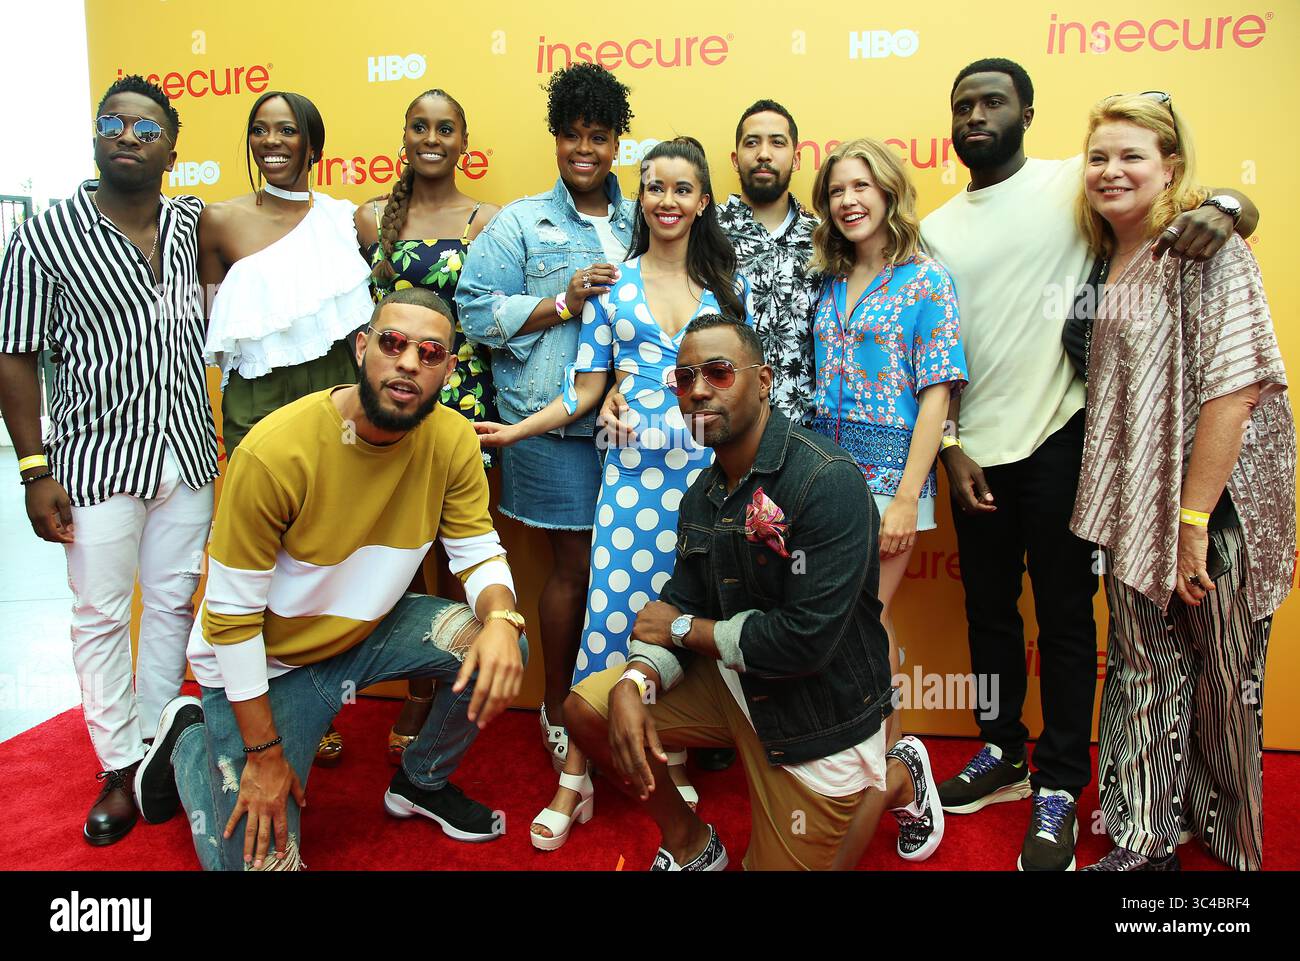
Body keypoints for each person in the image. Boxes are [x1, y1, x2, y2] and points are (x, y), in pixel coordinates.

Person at [921, 57, 1260, 871]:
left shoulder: (1076, 181)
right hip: (975, 454)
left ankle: (1063, 781)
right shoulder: (933, 226)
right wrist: (953, 445)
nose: (976, 114)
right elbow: (935, 347)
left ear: (1027, 112)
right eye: (963, 103)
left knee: (1069, 621)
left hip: (1066, 439)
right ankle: (1002, 749)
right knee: (990, 617)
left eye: (992, 100)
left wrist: (1227, 205)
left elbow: (1197, 193)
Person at [134, 287, 527, 871]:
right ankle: (191, 741)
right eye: (392, 343)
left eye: (430, 352)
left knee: (500, 641)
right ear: (362, 347)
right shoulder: (276, 451)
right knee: (261, 865)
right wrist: (264, 756)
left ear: (447, 368)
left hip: (364, 636)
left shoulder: (450, 439)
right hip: (268, 667)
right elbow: (232, 620)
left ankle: (420, 782)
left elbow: (476, 550)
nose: (409, 362)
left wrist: (501, 617)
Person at [562, 313, 944, 870]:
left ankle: (895, 776)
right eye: (683, 378)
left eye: (717, 373)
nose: (696, 391)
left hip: (818, 712)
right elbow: (683, 598)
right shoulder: (702, 494)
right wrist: (633, 680)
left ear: (764, 381)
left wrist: (679, 631)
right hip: (736, 682)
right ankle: (692, 844)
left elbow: (804, 642)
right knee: (589, 710)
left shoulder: (826, 480)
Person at [477, 136, 751, 848]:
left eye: (682, 188)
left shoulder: (726, 290)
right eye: (655, 186)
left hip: (699, 480)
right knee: (609, 618)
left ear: (702, 201)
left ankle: (676, 753)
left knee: (682, 618)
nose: (667, 200)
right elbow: (586, 389)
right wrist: (515, 433)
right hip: (629, 480)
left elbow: (738, 390)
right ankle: (576, 775)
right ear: (645, 194)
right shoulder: (613, 285)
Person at [1067, 93, 1293, 871]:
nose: (1111, 170)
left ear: (1171, 166)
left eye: (1131, 155)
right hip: (1136, 509)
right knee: (1140, 669)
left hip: (1214, 509)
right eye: (1098, 156)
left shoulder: (1206, 247)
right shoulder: (1099, 257)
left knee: (1228, 682)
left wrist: (1193, 519)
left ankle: (1230, 844)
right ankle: (1143, 836)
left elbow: (1236, 389)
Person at [0, 75, 217, 846]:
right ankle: (120, 765)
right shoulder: (46, 235)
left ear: (171, 150)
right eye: (114, 122)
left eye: (146, 128)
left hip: (187, 453)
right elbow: (15, 353)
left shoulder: (193, 225)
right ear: (97, 136)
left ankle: (160, 750)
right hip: (93, 460)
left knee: (169, 610)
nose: (128, 135)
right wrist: (33, 468)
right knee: (99, 614)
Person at [457, 62, 634, 776]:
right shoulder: (520, 222)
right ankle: (557, 705)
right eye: (571, 136)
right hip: (552, 425)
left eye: (598, 136)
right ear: (556, 139)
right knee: (574, 566)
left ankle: (620, 701)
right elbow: (474, 311)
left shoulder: (641, 215)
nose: (584, 150)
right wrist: (561, 301)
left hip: (637, 426)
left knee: (626, 568)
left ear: (618, 143)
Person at [200, 90, 373, 766]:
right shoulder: (217, 221)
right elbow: (215, 328)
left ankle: (317, 701)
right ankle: (259, 704)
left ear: (312, 144)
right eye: (260, 130)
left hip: (332, 397)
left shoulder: (344, 220)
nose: (273, 141)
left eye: (288, 130)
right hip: (255, 404)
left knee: (324, 551)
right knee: (258, 560)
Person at [357, 87, 501, 766]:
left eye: (447, 126)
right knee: (401, 548)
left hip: (464, 398)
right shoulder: (368, 220)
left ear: (464, 140)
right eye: (421, 125)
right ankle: (414, 683)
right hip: (392, 397)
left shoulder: (487, 219)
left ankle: (447, 683)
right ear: (406, 135)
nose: (433, 137)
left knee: (455, 548)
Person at [807, 139, 967, 746]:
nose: (849, 201)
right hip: (828, 478)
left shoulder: (926, 279)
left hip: (891, 478)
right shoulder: (831, 276)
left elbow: (937, 394)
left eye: (861, 187)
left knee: (863, 621)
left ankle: (896, 772)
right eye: (838, 190)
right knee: (853, 623)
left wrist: (905, 498)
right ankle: (869, 765)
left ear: (889, 192)